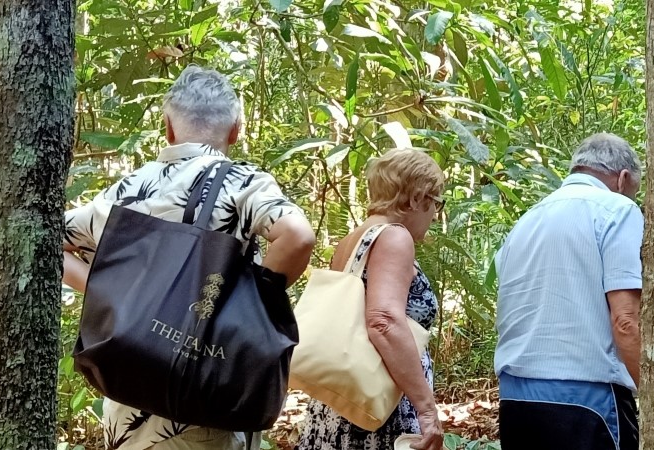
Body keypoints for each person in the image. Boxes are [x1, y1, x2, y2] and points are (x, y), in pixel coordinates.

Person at [59, 66, 316, 450]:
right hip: (206, 387)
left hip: (130, 388)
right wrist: (250, 304)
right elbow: (296, 236)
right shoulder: (242, 183)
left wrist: (110, 290)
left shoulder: (130, 188)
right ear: (235, 130)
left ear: (168, 127)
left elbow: (53, 242)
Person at [493, 133, 643, 450]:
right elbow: (626, 320)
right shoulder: (618, 210)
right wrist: (653, 392)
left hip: (515, 398)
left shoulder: (525, 221)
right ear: (623, 179)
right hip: (588, 399)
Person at [297, 148, 447, 450]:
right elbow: (383, 320)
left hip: (341, 402)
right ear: (418, 197)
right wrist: (427, 409)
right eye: (437, 203)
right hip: (378, 413)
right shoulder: (394, 236)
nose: (435, 215)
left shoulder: (353, 241)